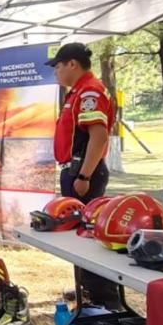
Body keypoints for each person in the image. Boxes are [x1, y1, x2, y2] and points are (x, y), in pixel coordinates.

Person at [46, 42, 119, 310]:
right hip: (76, 170)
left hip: (84, 173)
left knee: (88, 235)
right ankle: (87, 286)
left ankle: (103, 298)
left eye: (57, 66)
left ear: (72, 64)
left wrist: (85, 176)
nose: (55, 71)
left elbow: (98, 136)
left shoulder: (89, 91)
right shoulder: (78, 92)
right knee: (79, 234)